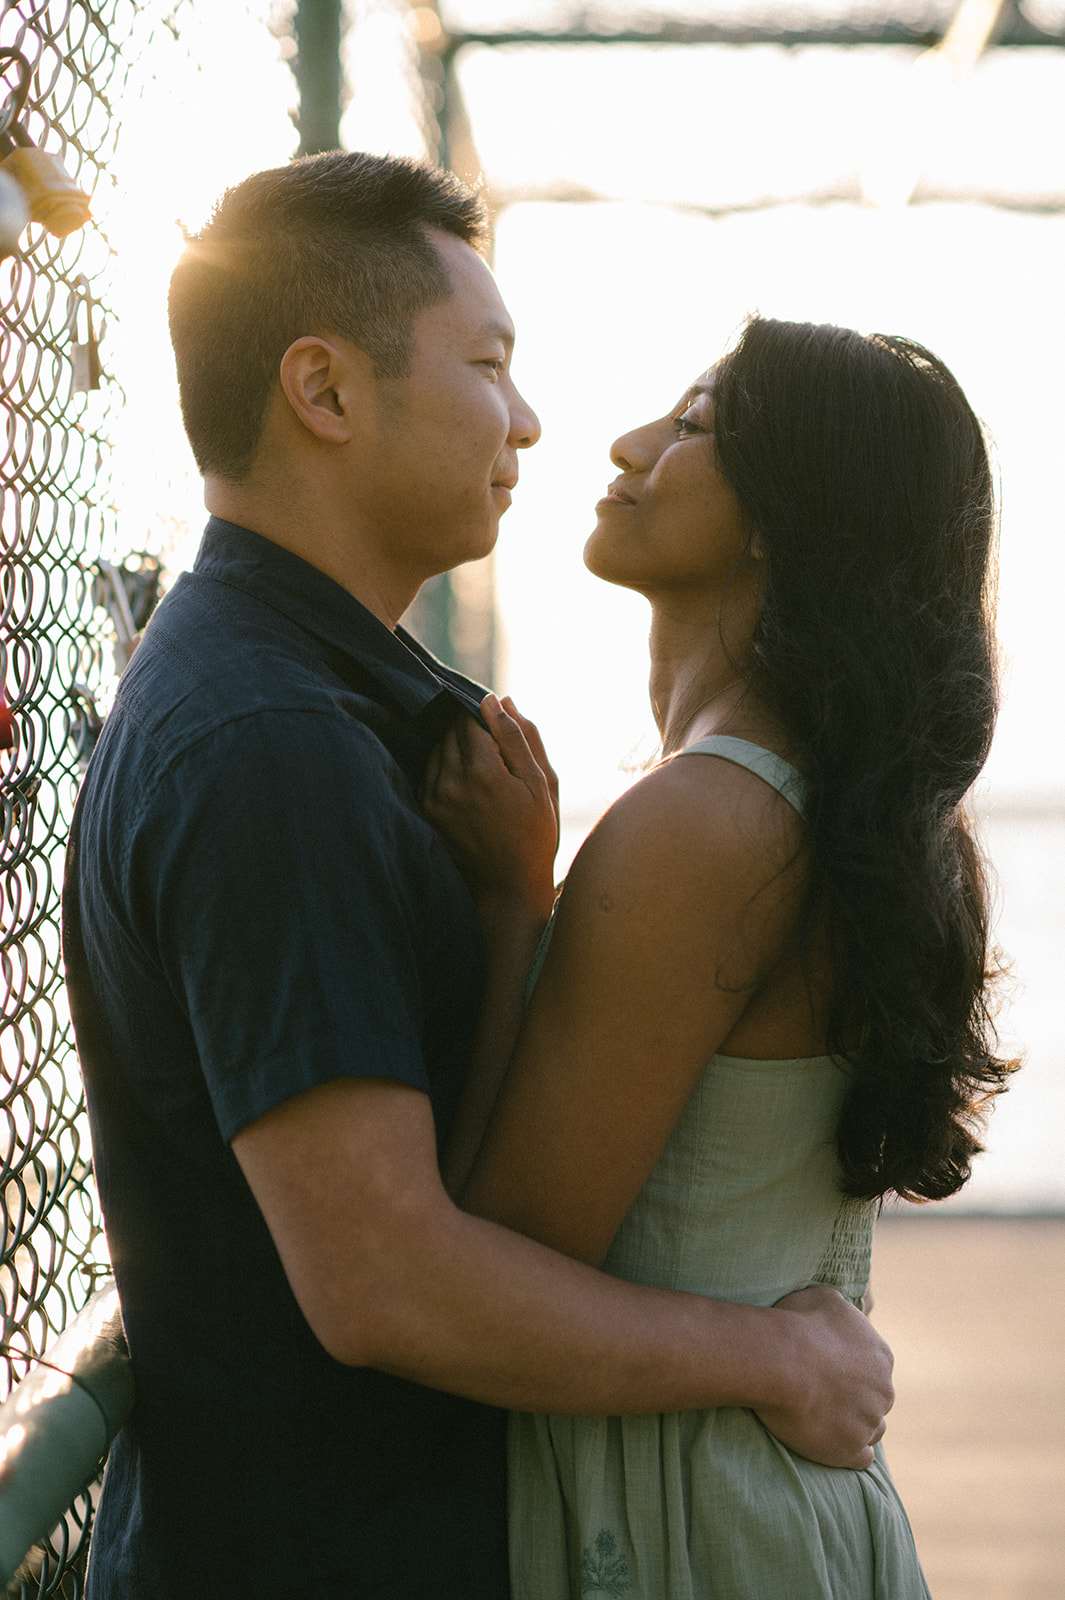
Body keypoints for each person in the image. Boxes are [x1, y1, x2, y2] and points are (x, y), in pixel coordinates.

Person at [63, 156, 893, 1600]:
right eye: (488, 363)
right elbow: (386, 1281)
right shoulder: (271, 744)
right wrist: (778, 1353)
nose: (527, 419)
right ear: (323, 393)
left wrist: (512, 912)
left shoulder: (331, 709)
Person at [424, 317, 1015, 1598]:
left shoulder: (706, 823)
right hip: (772, 1513)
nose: (632, 445)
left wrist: (512, 913)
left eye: (692, 428)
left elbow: (492, 1265)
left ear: (780, 520)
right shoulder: (831, 811)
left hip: (680, 1526)